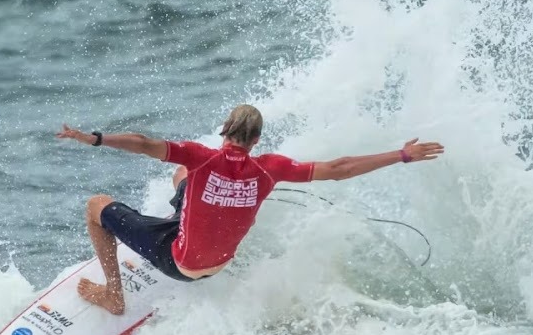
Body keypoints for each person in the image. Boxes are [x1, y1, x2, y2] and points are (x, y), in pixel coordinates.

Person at [54, 104, 445, 314]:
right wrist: (401, 155)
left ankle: (113, 295)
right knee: (182, 177)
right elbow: (340, 168)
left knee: (96, 206)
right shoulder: (271, 168)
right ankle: (178, 223)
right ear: (256, 139)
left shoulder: (202, 156)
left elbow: (141, 142)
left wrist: (93, 138)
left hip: (181, 263)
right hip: (220, 263)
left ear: (224, 129)